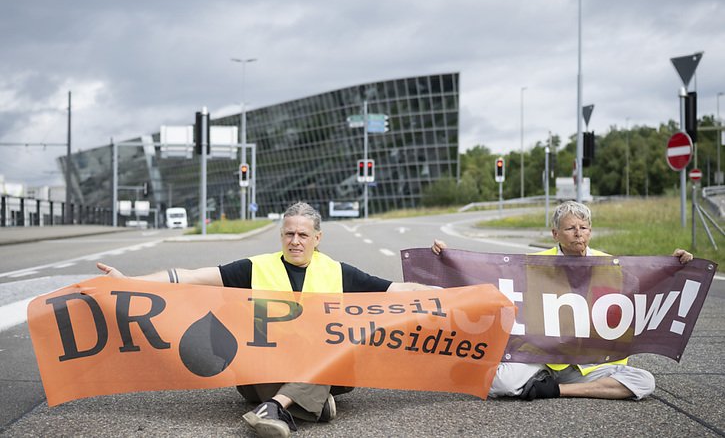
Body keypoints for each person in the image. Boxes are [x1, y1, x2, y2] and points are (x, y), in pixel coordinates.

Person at [98, 201, 429, 437]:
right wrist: (129, 282)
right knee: (290, 369)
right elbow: (191, 275)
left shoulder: (339, 272)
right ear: (281, 236)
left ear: (317, 238)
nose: (295, 241)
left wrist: (453, 293)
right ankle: (301, 404)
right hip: (263, 370)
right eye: (289, 234)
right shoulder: (255, 267)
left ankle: (274, 408)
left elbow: (395, 289)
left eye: (302, 235)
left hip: (324, 365)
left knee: (335, 350)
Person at [431, 200, 693, 401]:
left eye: (584, 228)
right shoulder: (536, 263)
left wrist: (674, 266)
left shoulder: (608, 263)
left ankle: (557, 389)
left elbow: (645, 287)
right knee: (496, 385)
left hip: (589, 361)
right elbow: (491, 278)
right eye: (570, 228)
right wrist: (447, 257)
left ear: (590, 232)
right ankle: (541, 376)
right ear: (555, 234)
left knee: (645, 381)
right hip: (544, 354)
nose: (578, 233)